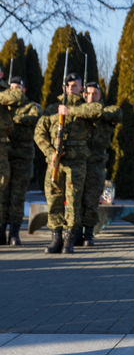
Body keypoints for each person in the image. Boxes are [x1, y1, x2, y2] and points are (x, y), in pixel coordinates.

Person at [34, 73, 102, 254]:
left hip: (76, 163)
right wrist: (50, 153)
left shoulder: (85, 107)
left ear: (81, 88)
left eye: (75, 85)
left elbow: (96, 111)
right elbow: (39, 133)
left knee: (73, 201)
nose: (71, 89)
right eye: (68, 86)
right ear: (64, 88)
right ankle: (56, 237)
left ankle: (69, 238)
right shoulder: (52, 109)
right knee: (54, 200)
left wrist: (69, 111)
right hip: (55, 162)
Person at [76, 81, 122, 247]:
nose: (91, 97)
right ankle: (75, 232)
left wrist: (94, 111)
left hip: (96, 162)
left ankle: (89, 233)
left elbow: (117, 113)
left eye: (94, 94)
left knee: (92, 199)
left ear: (100, 96)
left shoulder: (106, 112)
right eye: (88, 94)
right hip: (78, 161)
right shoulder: (78, 112)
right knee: (76, 198)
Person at [0, 77, 42, 245]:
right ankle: (1, 231)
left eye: (17, 87)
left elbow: (36, 117)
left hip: (22, 157)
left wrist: (14, 120)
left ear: (23, 90)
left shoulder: (31, 106)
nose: (14, 90)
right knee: (3, 196)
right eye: (11, 87)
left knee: (17, 197)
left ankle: (14, 233)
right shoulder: (4, 107)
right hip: (5, 155)